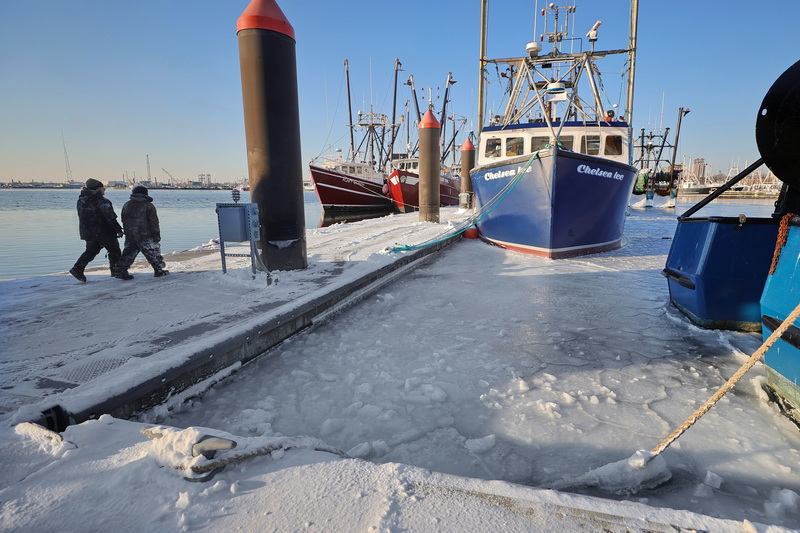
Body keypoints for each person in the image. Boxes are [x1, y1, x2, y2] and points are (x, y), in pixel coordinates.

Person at [69, 179, 124, 282]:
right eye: (103, 188)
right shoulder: (101, 200)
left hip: (88, 232)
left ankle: (77, 268)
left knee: (91, 251)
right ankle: (116, 271)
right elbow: (110, 217)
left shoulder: (81, 200)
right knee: (114, 250)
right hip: (103, 231)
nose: (104, 190)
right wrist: (118, 229)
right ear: (98, 188)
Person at [113, 185, 168, 280]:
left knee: (128, 252)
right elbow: (154, 222)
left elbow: (123, 219)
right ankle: (158, 270)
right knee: (152, 252)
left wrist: (127, 231)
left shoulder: (127, 205)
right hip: (145, 234)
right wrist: (156, 235)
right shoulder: (148, 206)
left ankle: (121, 270)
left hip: (130, 234)